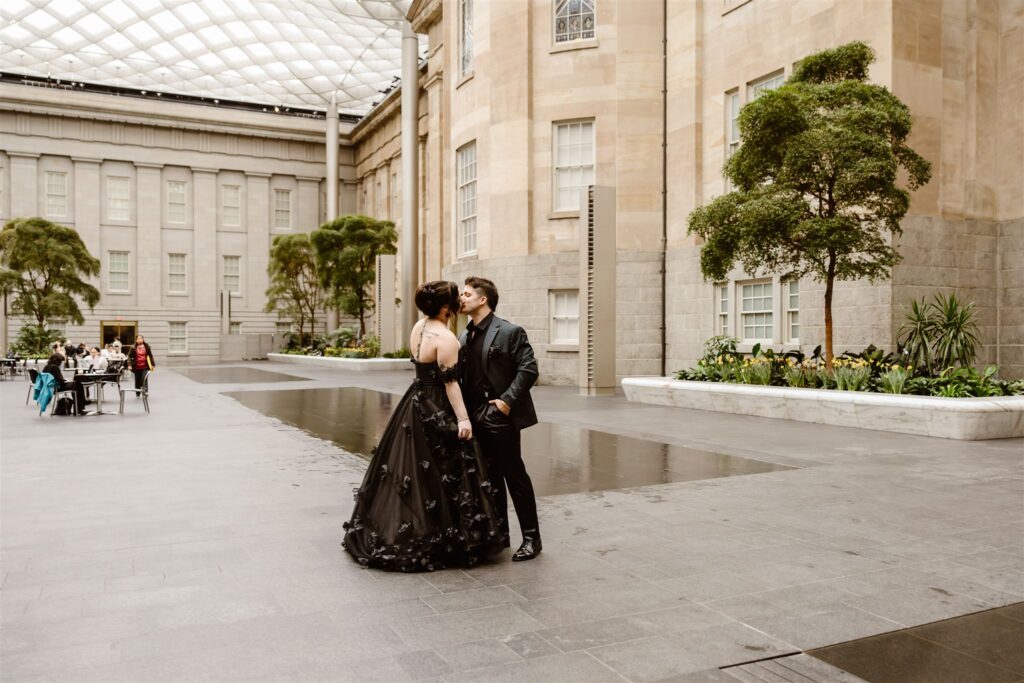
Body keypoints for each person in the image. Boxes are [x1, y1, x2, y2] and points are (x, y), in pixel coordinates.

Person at [342, 281, 508, 571]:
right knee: (446, 469)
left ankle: (424, 530)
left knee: (418, 471)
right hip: (437, 404)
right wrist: (463, 419)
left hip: (416, 399)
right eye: (456, 298)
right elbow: (451, 383)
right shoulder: (447, 339)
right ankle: (446, 539)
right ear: (446, 307)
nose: (459, 301)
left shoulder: (418, 327)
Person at [459, 277, 543, 561]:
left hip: (499, 416)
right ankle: (500, 536)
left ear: (483, 300)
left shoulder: (509, 331)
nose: (462, 297)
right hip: (473, 417)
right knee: (488, 476)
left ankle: (532, 539)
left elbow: (529, 369)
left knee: (514, 476)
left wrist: (506, 401)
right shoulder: (463, 335)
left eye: (467, 294)